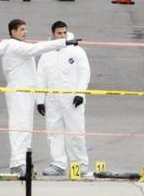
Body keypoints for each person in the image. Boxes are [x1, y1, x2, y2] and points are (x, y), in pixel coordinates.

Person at [0, 19, 79, 176]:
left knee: (25, 128)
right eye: (21, 29)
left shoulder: (18, 45)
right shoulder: (15, 45)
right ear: (12, 32)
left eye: (26, 29)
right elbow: (36, 48)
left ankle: (22, 163)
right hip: (19, 92)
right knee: (19, 127)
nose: (25, 32)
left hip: (26, 93)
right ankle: (17, 164)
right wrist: (63, 43)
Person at [37, 21, 91, 176]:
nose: (62, 36)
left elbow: (84, 72)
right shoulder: (47, 52)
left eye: (64, 33)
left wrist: (80, 93)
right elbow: (41, 76)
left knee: (76, 132)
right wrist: (40, 99)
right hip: (53, 99)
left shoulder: (76, 50)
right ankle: (58, 164)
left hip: (71, 98)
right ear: (53, 34)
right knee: (54, 132)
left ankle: (80, 164)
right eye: (59, 33)